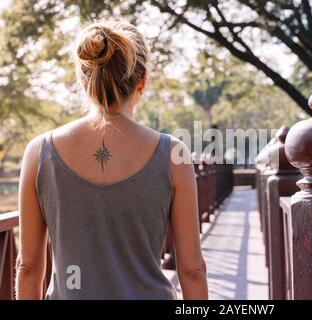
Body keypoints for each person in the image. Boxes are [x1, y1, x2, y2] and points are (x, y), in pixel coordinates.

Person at [15, 19, 207, 300]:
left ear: (83, 79)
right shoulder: (174, 156)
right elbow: (192, 271)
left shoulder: (39, 152)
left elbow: (28, 268)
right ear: (142, 80)